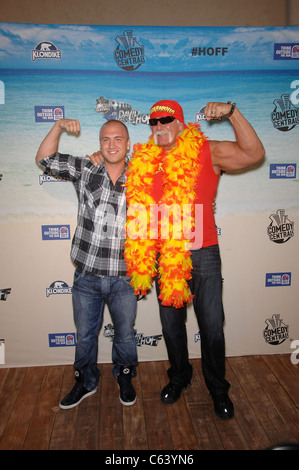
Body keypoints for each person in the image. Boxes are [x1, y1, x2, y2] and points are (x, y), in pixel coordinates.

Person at [124, 99, 265, 419]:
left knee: (213, 327)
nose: (159, 126)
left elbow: (254, 154)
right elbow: (116, 168)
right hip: (164, 255)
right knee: (171, 327)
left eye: (166, 120)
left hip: (203, 253)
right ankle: (179, 376)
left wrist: (232, 113)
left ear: (180, 123)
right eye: (154, 122)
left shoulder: (206, 150)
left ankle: (218, 389)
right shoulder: (146, 160)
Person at [35, 119, 138, 409]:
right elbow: (45, 159)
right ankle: (85, 380)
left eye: (118, 139)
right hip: (87, 276)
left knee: (126, 335)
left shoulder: (144, 174)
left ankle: (125, 375)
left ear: (128, 143)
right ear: (100, 143)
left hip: (125, 277)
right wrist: (57, 126)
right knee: (84, 336)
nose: (112, 144)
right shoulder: (86, 167)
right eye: (106, 139)